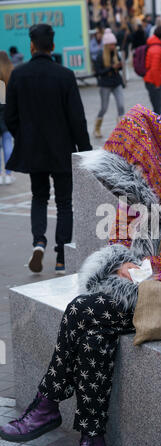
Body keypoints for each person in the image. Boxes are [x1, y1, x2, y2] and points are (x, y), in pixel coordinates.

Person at [0, 104, 161, 446]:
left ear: (148, 158)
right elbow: (118, 240)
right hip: (137, 294)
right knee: (92, 336)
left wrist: (138, 271)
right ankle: (92, 437)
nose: (128, 179)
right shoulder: (136, 194)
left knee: (80, 310)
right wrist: (121, 262)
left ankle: (47, 404)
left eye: (132, 168)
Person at [4, 24, 92, 274]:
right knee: (64, 202)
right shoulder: (65, 75)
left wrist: (24, 137)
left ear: (32, 46)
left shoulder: (19, 75)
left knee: (38, 196)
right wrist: (84, 151)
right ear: (52, 46)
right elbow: (77, 118)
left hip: (34, 150)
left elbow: (9, 116)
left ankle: (38, 242)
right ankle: (62, 255)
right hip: (62, 150)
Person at [94, 28, 124, 138]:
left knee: (121, 105)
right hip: (105, 84)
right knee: (104, 108)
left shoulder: (116, 53)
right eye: (111, 45)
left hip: (116, 82)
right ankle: (97, 128)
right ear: (106, 45)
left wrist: (119, 66)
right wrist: (111, 68)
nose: (113, 47)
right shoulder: (100, 55)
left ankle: (121, 130)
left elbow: (119, 68)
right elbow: (97, 72)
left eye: (114, 44)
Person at [144, 25, 161, 115]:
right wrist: (158, 84)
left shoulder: (158, 46)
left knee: (160, 109)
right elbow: (154, 69)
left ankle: (154, 127)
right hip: (154, 82)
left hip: (157, 80)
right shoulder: (157, 49)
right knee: (158, 110)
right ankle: (153, 128)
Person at [0, 51, 14, 185]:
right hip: (7, 116)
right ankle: (8, 174)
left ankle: (0, 174)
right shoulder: (10, 75)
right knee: (8, 143)